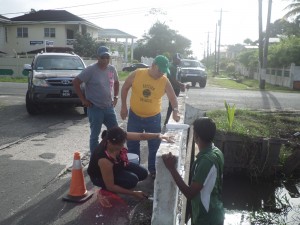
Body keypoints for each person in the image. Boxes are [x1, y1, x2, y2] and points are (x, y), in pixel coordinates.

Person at [120, 55, 180, 178]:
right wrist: (123, 106)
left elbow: (173, 97)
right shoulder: (138, 73)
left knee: (154, 144)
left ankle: (153, 170)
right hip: (134, 116)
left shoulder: (164, 80)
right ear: (153, 65)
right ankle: (134, 169)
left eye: (164, 71)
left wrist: (175, 110)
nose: (161, 73)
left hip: (153, 118)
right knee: (132, 143)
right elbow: (125, 87)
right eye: (160, 70)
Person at [87, 126, 173, 207]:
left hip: (116, 165)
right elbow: (111, 185)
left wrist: (158, 135)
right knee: (132, 180)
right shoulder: (104, 159)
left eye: (122, 144)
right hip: (99, 177)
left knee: (143, 173)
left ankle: (121, 182)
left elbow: (141, 136)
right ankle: (103, 192)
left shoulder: (118, 136)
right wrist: (133, 193)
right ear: (109, 142)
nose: (121, 148)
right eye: (118, 147)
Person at [163, 118, 224, 225]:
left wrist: (171, 168)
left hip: (206, 218)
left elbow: (190, 193)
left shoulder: (206, 161)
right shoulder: (217, 152)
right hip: (215, 211)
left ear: (196, 136)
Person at [73, 46, 119, 154]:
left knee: (116, 133)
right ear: (98, 57)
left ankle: (113, 154)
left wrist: (116, 97)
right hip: (95, 108)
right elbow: (76, 82)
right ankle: (95, 159)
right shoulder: (91, 70)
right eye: (103, 57)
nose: (105, 60)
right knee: (95, 136)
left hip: (109, 108)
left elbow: (116, 82)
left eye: (107, 57)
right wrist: (83, 100)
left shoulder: (112, 69)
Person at [164, 53, 187, 126]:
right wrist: (181, 85)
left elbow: (178, 78)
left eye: (179, 59)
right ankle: (167, 123)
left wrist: (181, 86)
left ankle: (169, 121)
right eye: (177, 59)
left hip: (176, 88)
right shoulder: (171, 67)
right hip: (172, 88)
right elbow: (172, 79)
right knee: (172, 106)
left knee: (173, 105)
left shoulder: (177, 67)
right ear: (174, 59)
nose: (179, 61)